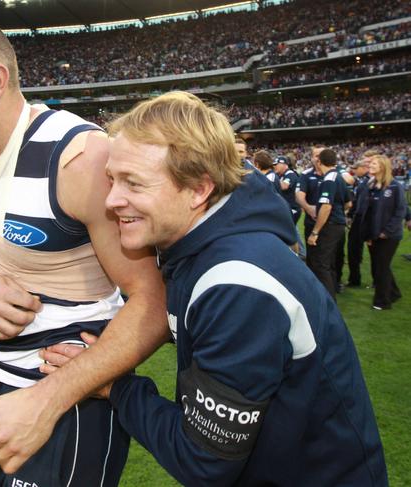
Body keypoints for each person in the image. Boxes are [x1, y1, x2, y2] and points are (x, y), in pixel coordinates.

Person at [45, 92, 387, 486]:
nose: (111, 200)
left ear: (198, 189)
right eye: (111, 180)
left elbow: (204, 461)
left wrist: (114, 387)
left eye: (133, 183)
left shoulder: (238, 285)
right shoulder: (195, 246)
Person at [0, 11, 167, 487]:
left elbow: (152, 301)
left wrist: (46, 401)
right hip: (2, 391)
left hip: (72, 405)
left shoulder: (79, 158)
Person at [358, 155, 406, 310]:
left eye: (374, 163)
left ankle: (382, 301)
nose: (370, 165)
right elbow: (368, 211)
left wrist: (387, 231)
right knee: (379, 266)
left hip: (389, 235)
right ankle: (394, 292)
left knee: (381, 268)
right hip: (373, 233)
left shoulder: (394, 186)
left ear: (383, 167)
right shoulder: (370, 185)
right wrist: (368, 234)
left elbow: (400, 211)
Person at [305, 148, 348, 300]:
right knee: (329, 262)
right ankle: (331, 292)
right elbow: (348, 202)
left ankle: (328, 300)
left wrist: (315, 232)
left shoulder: (329, 179)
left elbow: (326, 206)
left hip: (329, 225)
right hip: (338, 225)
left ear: (319, 161)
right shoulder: (339, 177)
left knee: (321, 264)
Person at [346, 152, 375, 287]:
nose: (354, 171)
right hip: (359, 219)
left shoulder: (375, 182)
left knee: (376, 254)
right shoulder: (364, 182)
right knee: (354, 251)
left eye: (356, 168)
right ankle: (354, 280)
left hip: (368, 221)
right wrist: (350, 214)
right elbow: (358, 202)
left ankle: (381, 283)